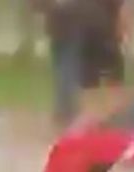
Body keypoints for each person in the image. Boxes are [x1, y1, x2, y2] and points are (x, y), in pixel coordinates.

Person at [31, 0, 83, 129]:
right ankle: (66, 107)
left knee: (64, 67)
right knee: (66, 67)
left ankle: (64, 107)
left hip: (62, 27)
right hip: (65, 27)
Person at [78, 0, 130, 122]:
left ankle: (92, 117)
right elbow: (123, 16)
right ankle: (113, 116)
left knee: (91, 82)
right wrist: (124, 36)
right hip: (107, 41)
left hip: (91, 40)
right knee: (112, 81)